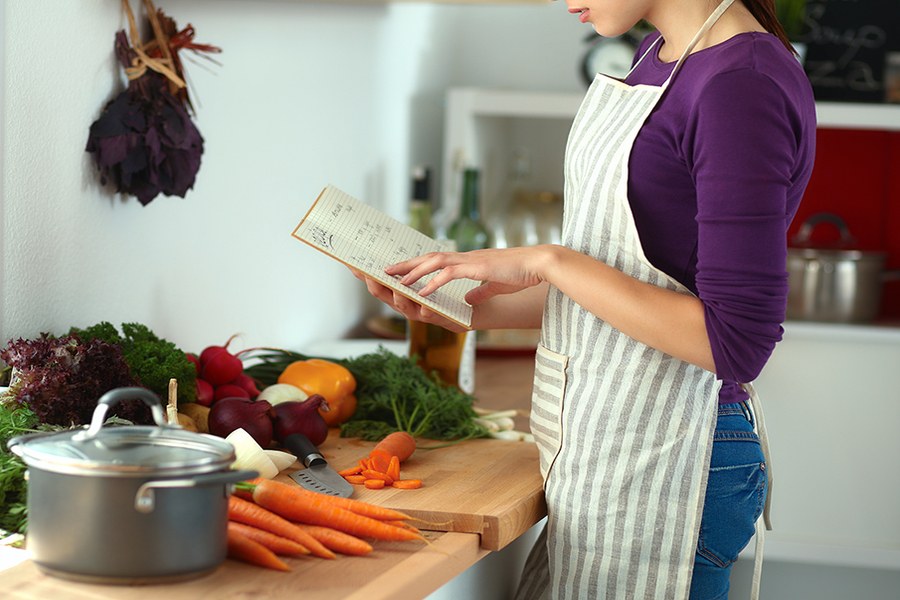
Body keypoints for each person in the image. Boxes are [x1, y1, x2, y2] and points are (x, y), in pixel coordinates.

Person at [353, 0, 815, 598]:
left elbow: (733, 342)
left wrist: (550, 260)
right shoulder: (664, 54)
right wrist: (467, 304)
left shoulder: (740, 85)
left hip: (675, 455)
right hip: (607, 442)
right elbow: (640, 279)